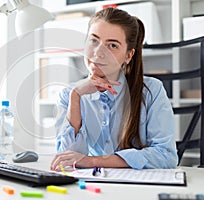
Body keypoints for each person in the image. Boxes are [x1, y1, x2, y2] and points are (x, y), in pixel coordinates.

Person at [50, 7, 178, 171]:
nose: (98, 53)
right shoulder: (69, 94)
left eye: (112, 45)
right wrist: (75, 97)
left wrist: (94, 161)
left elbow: (166, 156)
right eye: (94, 40)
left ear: (128, 55)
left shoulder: (152, 90)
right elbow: (67, 158)